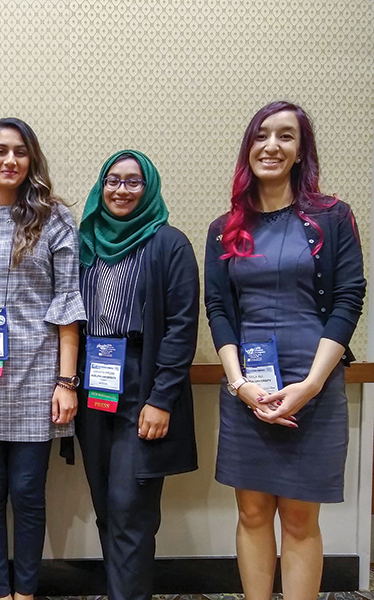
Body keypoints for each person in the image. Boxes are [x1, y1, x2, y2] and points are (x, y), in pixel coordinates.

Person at [204, 101, 365, 600]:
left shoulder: (333, 217)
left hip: (312, 382)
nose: (271, 146)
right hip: (248, 386)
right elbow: (219, 310)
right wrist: (240, 385)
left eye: (286, 137)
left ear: (301, 152)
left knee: (299, 519)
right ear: (248, 148)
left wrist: (312, 384)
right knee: (251, 514)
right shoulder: (224, 229)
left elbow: (348, 297)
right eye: (261, 135)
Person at [0, 118, 86, 600]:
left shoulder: (55, 220)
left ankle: (25, 592)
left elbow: (68, 304)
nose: (10, 160)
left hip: (38, 378)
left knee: (28, 495)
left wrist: (67, 382)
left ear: (31, 161)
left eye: (20, 152)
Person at [76, 150, 199, 600]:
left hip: (142, 382)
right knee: (106, 507)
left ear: (148, 189)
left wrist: (162, 398)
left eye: (133, 182)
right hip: (94, 380)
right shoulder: (86, 243)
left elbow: (182, 327)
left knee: (131, 509)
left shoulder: (169, 244)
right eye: (112, 180)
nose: (121, 190)